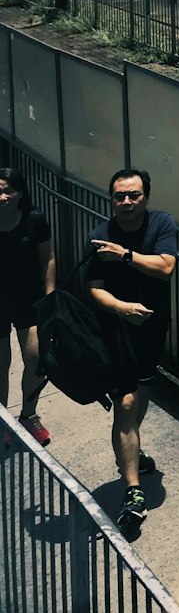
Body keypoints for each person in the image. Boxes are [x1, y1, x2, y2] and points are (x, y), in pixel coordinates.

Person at [86, 169, 177, 531]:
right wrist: (121, 308)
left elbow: (166, 267)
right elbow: (94, 288)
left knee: (142, 394)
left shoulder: (161, 225)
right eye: (119, 196)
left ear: (146, 197)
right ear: (111, 199)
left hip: (152, 328)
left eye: (133, 195)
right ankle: (133, 490)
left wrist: (124, 255)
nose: (126, 202)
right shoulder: (98, 237)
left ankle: (130, 452)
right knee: (125, 403)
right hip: (113, 330)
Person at [0, 167, 56, 445]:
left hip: (29, 300)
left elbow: (47, 259)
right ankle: (2, 421)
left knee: (36, 359)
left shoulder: (35, 220)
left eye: (8, 190)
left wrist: (51, 296)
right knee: (0, 364)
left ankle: (28, 415)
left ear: (20, 192)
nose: (2, 196)